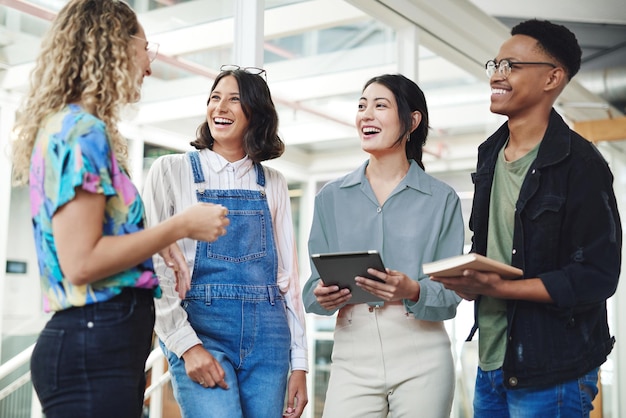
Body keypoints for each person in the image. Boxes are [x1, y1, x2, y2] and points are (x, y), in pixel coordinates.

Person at [9, 1, 230, 417]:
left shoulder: (72, 128)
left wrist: (154, 241)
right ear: (112, 44)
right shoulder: (81, 132)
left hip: (101, 345)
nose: (148, 64)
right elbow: (82, 261)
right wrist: (178, 226)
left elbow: (92, 240)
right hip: (94, 346)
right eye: (145, 48)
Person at [430, 19, 621, 418]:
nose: (496, 75)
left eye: (511, 66)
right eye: (495, 65)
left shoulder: (582, 164)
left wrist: (499, 287)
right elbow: (495, 246)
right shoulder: (489, 154)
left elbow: (598, 276)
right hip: (491, 362)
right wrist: (470, 279)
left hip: (554, 369)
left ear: (553, 77)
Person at [142, 65, 308, 418]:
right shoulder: (170, 171)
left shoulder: (273, 182)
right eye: (215, 98)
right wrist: (186, 347)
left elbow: (288, 281)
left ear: (256, 113)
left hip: (269, 339)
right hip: (201, 331)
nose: (220, 107)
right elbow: (153, 267)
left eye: (234, 99)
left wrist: (301, 363)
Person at [302, 74, 465, 418]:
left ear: (412, 121)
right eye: (361, 106)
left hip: (422, 354)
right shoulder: (330, 198)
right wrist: (320, 295)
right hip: (351, 352)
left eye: (380, 106)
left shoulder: (442, 199)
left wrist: (413, 290)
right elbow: (310, 289)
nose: (366, 115)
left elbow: (452, 294)